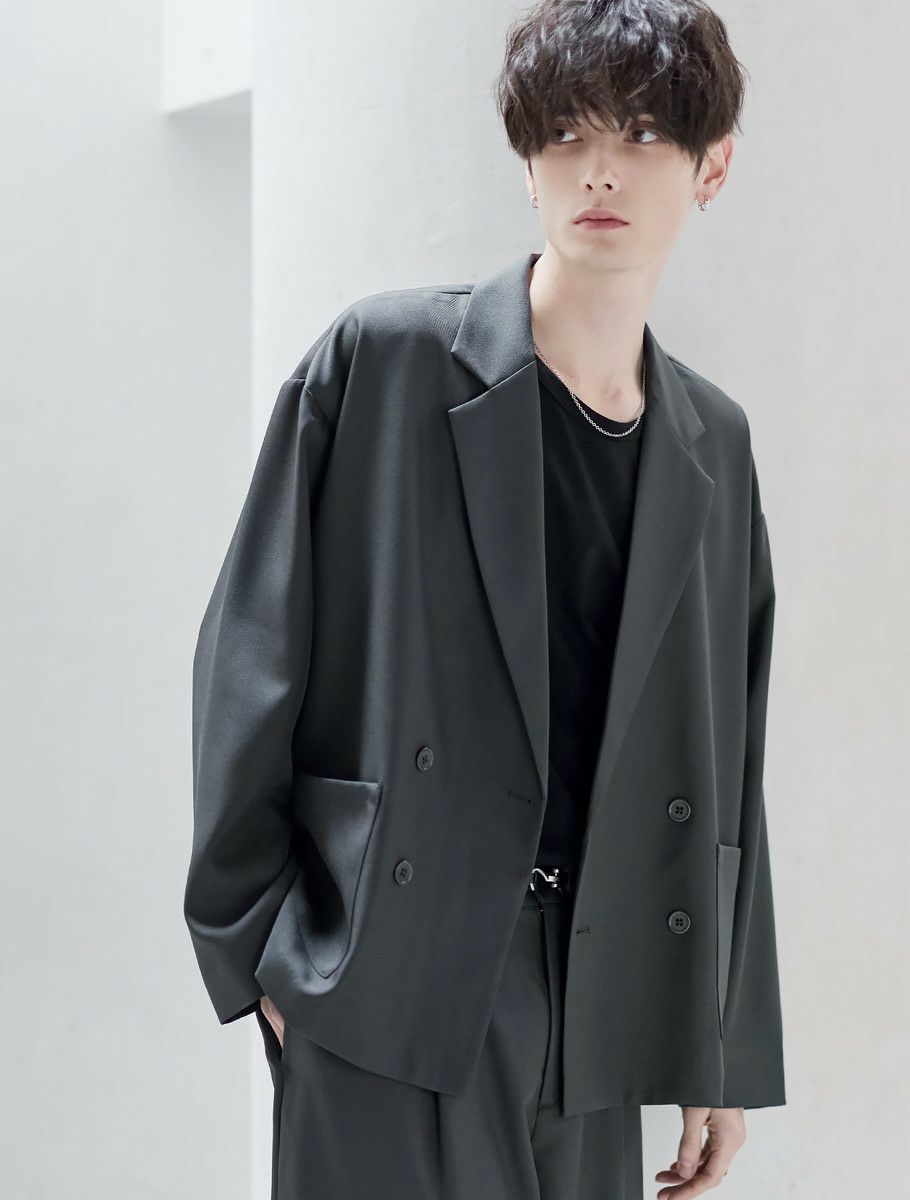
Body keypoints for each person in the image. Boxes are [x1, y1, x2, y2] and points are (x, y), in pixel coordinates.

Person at [183, 1, 785, 1196]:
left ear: (712, 164)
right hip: (393, 978)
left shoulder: (710, 441)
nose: (599, 169)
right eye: (565, 133)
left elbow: (728, 756)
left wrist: (715, 1039)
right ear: (526, 161)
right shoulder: (386, 361)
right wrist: (265, 954)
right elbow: (248, 657)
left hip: (603, 996)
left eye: (644, 133)